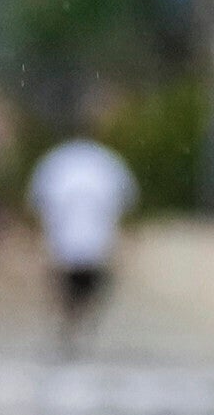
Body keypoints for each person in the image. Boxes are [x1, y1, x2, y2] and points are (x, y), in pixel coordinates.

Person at [27, 125, 137, 349]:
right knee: (88, 285)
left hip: (66, 238)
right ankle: (78, 322)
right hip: (94, 238)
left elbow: (38, 199)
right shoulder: (106, 161)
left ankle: (70, 322)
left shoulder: (57, 161)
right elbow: (127, 198)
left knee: (69, 285)